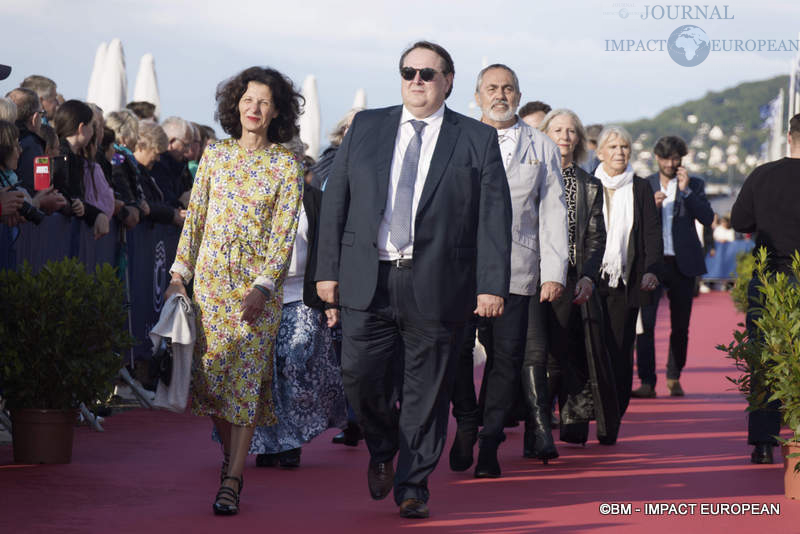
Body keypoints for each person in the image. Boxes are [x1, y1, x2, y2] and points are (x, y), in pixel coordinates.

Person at [315, 41, 512, 519]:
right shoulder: (366, 126)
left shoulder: (476, 139)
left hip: (438, 282)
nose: (417, 81)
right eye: (409, 72)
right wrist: (326, 272)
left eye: (428, 73)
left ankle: (414, 483)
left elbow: (493, 219)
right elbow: (335, 199)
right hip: (369, 277)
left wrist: (492, 285)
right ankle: (383, 449)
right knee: (360, 377)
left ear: (448, 81)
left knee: (428, 389)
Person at [165, 66, 304, 516]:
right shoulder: (216, 155)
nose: (254, 108)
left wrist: (264, 286)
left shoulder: (286, 164)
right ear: (235, 105)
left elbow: (283, 235)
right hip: (210, 286)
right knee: (212, 384)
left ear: (276, 111)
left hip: (256, 291)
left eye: (264, 101)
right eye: (248, 99)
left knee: (244, 385)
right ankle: (232, 457)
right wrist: (178, 274)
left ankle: (233, 479)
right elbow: (196, 219)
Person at [448, 64, 567, 478]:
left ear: (519, 95)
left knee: (506, 358)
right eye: (492, 88)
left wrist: (554, 271)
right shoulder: (456, 137)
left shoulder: (541, 146)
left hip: (518, 268)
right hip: (459, 269)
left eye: (508, 88)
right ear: (478, 95)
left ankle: (489, 440)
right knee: (455, 354)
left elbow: (553, 212)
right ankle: (466, 418)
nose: (500, 95)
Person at [528, 109, 618, 448]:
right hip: (530, 275)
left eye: (571, 131)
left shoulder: (589, 185)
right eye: (558, 130)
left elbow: (596, 238)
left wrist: (588, 277)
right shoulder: (530, 176)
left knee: (563, 353)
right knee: (536, 353)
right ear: (545, 134)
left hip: (568, 277)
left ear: (579, 139)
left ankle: (554, 424)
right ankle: (534, 422)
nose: (564, 137)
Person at [249, 175, 347, 469]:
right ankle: (267, 443)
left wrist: (331, 299)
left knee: (293, 363)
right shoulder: (254, 194)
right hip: (260, 296)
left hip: (301, 295)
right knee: (264, 369)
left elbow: (328, 247)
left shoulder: (314, 199)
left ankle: (290, 440)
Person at [731, 113, 800, 465]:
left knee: (764, 358)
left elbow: (740, 221)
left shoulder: (762, 175)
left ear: (789, 137)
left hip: (769, 277)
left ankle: (762, 444)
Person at [632, 136, 713, 399]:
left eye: (676, 158)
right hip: (653, 264)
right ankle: (646, 381)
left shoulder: (694, 184)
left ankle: (674, 376)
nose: (671, 163)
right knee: (646, 323)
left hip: (683, 264)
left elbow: (708, 217)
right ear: (657, 158)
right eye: (666, 158)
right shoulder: (645, 185)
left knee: (681, 325)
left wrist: (686, 190)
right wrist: (650, 207)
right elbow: (632, 223)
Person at [593, 125, 662, 418]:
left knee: (620, 348)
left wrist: (650, 270)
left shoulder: (641, 187)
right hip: (590, 278)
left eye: (624, 147)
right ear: (599, 153)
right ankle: (590, 406)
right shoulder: (589, 184)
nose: (619, 152)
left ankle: (615, 411)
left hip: (626, 278)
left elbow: (651, 233)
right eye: (612, 147)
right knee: (593, 345)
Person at [53, 100, 109, 238]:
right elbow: (63, 192)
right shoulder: (61, 154)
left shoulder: (74, 155)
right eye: (92, 126)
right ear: (81, 128)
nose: (93, 131)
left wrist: (94, 213)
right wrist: (95, 214)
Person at [133, 121, 185, 227]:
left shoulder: (146, 173)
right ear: (141, 146)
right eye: (156, 154)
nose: (158, 159)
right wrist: (171, 214)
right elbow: (143, 204)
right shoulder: (127, 171)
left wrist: (175, 211)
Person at [309, 108, 360, 190]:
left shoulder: (372, 162)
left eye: (357, 126)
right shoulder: (329, 157)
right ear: (342, 130)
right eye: (348, 126)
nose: (351, 131)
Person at [150, 116, 194, 209]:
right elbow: (160, 203)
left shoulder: (181, 168)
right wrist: (180, 203)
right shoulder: (156, 166)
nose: (188, 150)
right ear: (171, 142)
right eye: (185, 145)